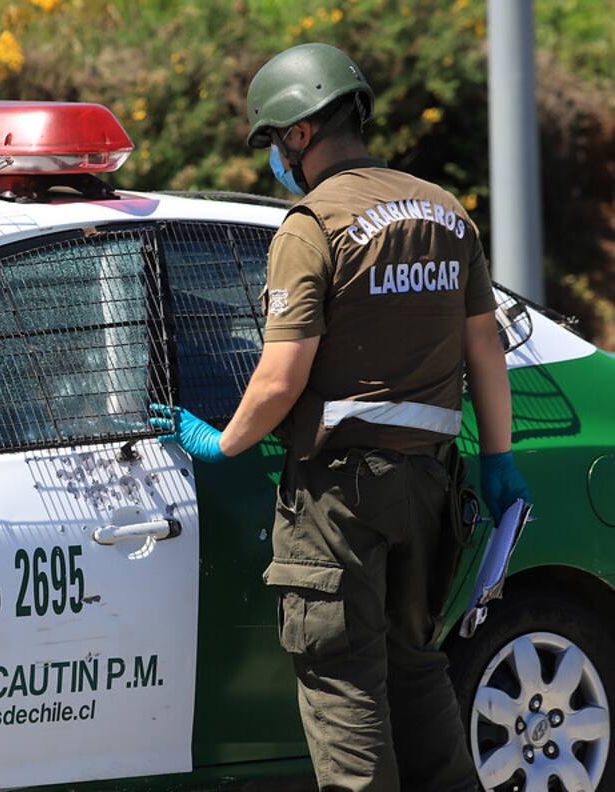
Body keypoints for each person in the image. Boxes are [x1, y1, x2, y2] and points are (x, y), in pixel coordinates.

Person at [151, 42, 529, 791]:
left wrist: (222, 440)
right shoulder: (446, 214)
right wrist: (497, 460)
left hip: (340, 501)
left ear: (297, 133)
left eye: (272, 143)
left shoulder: (311, 226)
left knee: (342, 683)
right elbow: (484, 347)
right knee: (416, 666)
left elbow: (281, 376)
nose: (275, 162)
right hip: (431, 486)